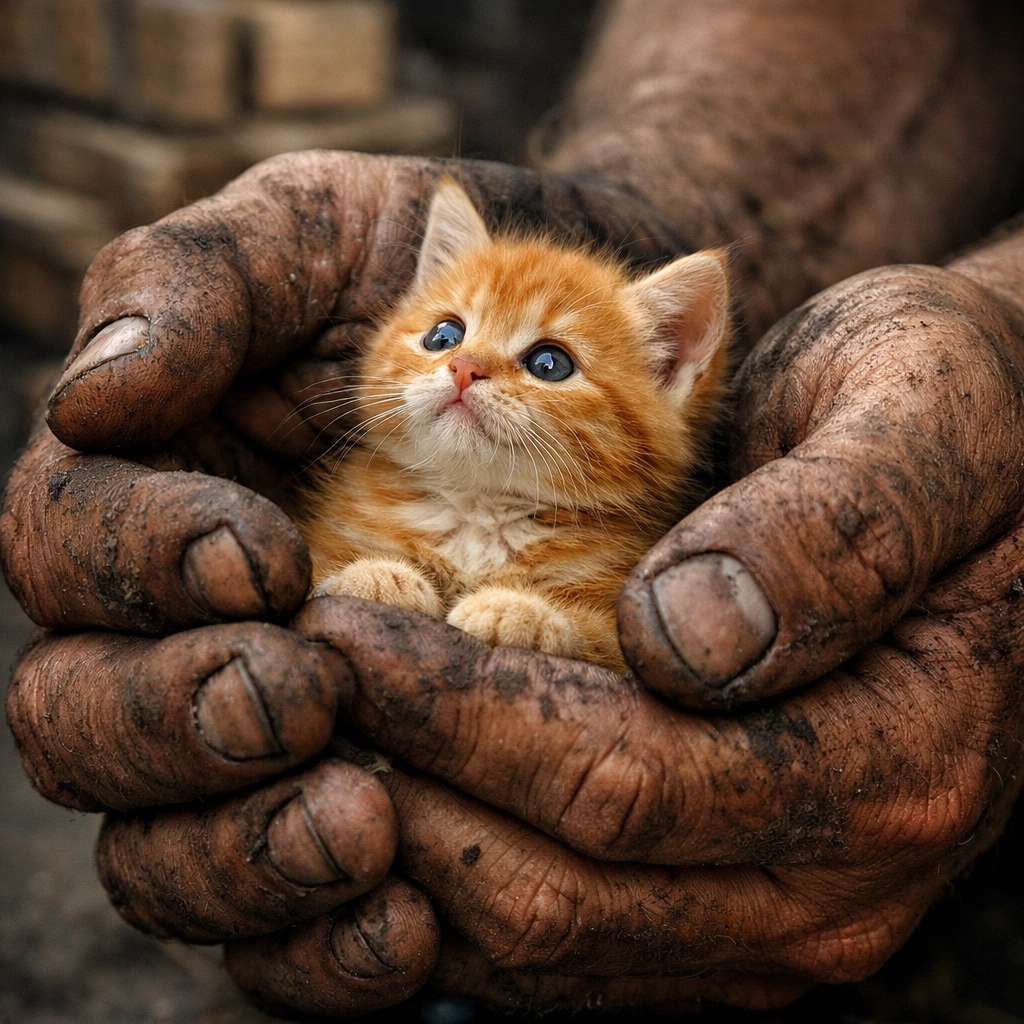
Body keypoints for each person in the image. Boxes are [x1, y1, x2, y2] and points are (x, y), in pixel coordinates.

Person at [4, 0, 1024, 1014]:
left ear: (671, 369)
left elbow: (637, 663)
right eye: (442, 333)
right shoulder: (349, 509)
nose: (469, 369)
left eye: (546, 360)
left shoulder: (623, 560)